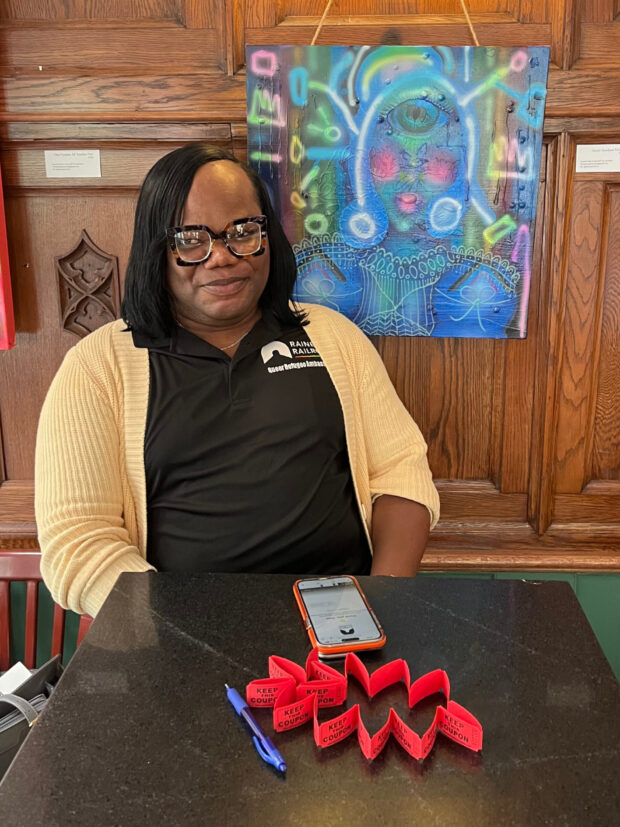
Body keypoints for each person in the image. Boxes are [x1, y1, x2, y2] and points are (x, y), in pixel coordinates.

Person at [34, 143, 440, 618]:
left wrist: (376, 608)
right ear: (156, 249)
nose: (222, 257)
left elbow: (402, 474)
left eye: (243, 231)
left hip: (339, 636)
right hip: (178, 642)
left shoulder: (333, 338)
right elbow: (77, 545)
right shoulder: (98, 367)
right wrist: (187, 637)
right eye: (190, 239)